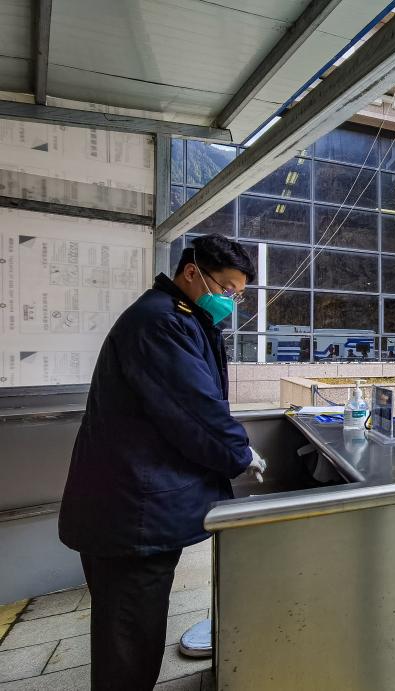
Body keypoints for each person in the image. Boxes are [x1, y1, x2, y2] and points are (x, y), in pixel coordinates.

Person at [59, 235, 265, 691]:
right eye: (226, 288)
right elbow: (194, 408)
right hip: (132, 514)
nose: (230, 301)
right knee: (129, 642)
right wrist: (239, 453)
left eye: (237, 294)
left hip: (131, 505)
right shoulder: (161, 322)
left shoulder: (177, 317)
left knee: (131, 630)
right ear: (191, 272)